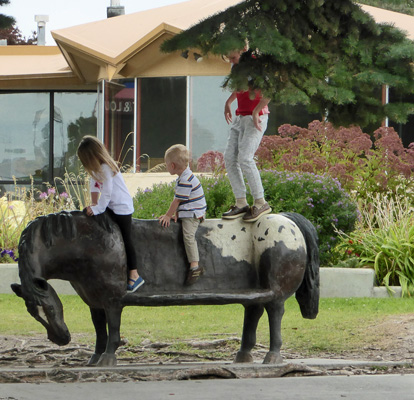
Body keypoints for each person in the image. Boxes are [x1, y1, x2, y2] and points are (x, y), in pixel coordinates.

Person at [77, 135, 144, 293]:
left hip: (121, 208)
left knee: (126, 238)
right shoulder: (96, 169)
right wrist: (93, 204)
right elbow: (94, 185)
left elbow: (107, 192)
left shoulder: (107, 168)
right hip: (110, 207)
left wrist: (97, 208)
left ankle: (134, 274)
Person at [222, 49, 272, 222]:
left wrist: (257, 110)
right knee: (229, 157)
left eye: (233, 57)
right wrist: (229, 102)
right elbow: (240, 88)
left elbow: (269, 91)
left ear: (242, 51)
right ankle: (241, 202)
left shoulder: (255, 65)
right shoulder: (238, 68)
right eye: (229, 59)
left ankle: (260, 201)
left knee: (245, 157)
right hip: (241, 116)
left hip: (255, 118)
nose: (231, 62)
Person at [158, 144, 207, 285]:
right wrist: (178, 215)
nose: (166, 166)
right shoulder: (184, 176)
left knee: (188, 236)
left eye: (166, 164)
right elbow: (184, 201)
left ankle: (195, 266)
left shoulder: (186, 180)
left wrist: (168, 215)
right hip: (189, 210)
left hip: (193, 213)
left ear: (172, 165)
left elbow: (177, 200)